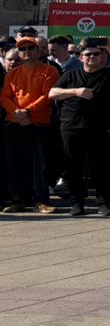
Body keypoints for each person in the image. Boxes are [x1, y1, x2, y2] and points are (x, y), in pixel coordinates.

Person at [49, 43, 110, 216]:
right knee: (74, 167)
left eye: (96, 54)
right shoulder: (70, 74)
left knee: (101, 168)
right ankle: (77, 203)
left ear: (102, 58)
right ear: (81, 58)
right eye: (88, 54)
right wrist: (76, 91)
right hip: (71, 127)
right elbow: (52, 93)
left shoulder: (107, 75)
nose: (92, 57)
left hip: (98, 129)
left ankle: (103, 204)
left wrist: (109, 46)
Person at [2, 34, 60, 214]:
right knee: (15, 163)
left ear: (39, 51)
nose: (26, 51)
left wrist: (27, 112)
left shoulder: (49, 71)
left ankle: (41, 201)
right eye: (22, 49)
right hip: (15, 122)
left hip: (38, 123)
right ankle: (19, 199)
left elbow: (47, 96)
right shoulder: (13, 73)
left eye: (30, 48)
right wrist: (16, 113)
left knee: (40, 164)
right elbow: (4, 96)